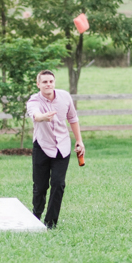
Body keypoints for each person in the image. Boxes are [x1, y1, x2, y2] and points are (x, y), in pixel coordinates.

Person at [25, 70, 85, 229]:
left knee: (58, 184)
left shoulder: (65, 97)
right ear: (38, 84)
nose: (48, 84)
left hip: (62, 147)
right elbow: (35, 115)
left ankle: (50, 223)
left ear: (54, 82)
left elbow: (73, 118)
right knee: (40, 186)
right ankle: (35, 218)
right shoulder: (33, 101)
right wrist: (43, 117)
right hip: (42, 146)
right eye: (44, 82)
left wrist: (79, 141)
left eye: (50, 81)